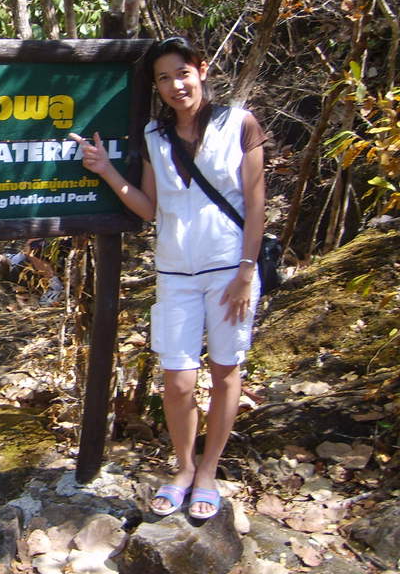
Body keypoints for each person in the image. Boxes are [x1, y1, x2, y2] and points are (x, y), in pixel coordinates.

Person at [69, 36, 266, 519]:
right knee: (176, 378)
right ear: (156, 87)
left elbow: (257, 205)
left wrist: (246, 270)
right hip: (175, 272)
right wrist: (107, 171)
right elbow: (151, 209)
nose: (176, 85)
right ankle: (182, 467)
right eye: (164, 78)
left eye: (183, 73)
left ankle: (208, 473)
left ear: (201, 70)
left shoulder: (239, 124)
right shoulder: (155, 137)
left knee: (225, 371)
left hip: (229, 269)